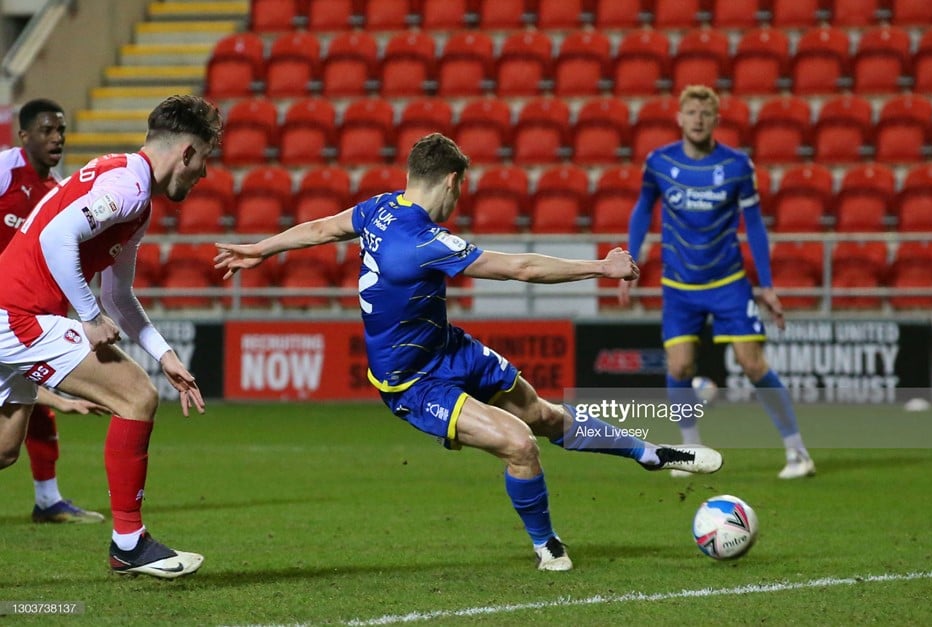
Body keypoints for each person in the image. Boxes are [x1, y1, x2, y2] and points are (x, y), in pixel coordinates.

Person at [215, 133, 723, 572]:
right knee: (521, 445)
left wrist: (261, 248)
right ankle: (546, 545)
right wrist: (601, 267)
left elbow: (322, 228)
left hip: (449, 348)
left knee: (544, 415)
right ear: (454, 180)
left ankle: (651, 454)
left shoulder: (378, 209)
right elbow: (520, 268)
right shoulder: (425, 240)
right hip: (413, 383)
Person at [0, 94, 220, 578]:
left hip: (12, 311)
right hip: (19, 314)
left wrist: (165, 356)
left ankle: (128, 543)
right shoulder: (128, 188)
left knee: (4, 448)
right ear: (186, 153)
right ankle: (128, 542)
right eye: (204, 160)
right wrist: (88, 316)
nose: (204, 174)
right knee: (137, 397)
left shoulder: (129, 189)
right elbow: (59, 238)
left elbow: (119, 295)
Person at [619, 85, 815, 479]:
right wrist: (629, 259)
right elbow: (643, 210)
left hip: (728, 282)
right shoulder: (658, 163)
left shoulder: (737, 166)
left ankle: (798, 452)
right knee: (680, 364)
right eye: (691, 112)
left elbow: (755, 225)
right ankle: (690, 451)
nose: (697, 119)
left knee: (753, 363)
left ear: (716, 120)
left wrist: (768, 285)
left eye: (705, 113)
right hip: (679, 285)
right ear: (679, 117)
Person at [0, 98, 111, 524]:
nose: (56, 138)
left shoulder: (56, 192)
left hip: (22, 312)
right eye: (47, 130)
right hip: (6, 310)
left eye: (61, 131)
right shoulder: (7, 171)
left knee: (24, 420)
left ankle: (48, 499)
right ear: (24, 135)